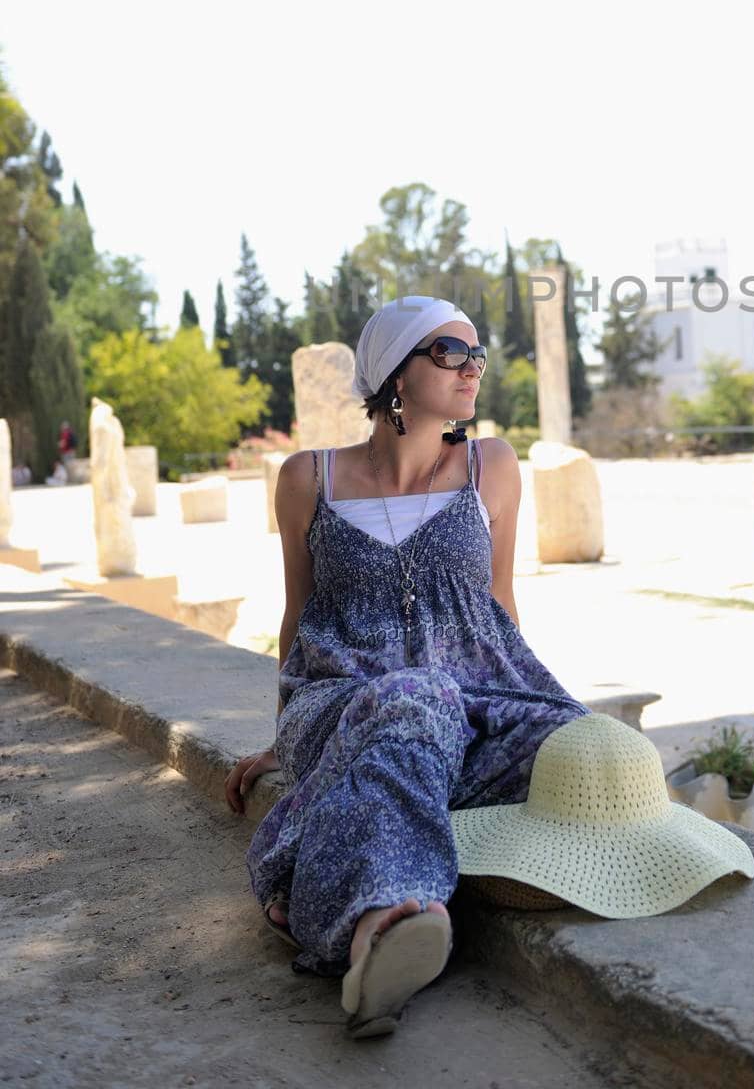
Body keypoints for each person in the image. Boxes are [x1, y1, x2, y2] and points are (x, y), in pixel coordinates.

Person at [225, 295, 588, 1038]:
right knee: (411, 701)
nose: (473, 367)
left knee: (585, 747)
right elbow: (297, 617)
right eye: (450, 353)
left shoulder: (492, 464)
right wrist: (287, 733)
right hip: (343, 698)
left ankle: (316, 887)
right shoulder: (306, 479)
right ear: (394, 373)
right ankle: (380, 925)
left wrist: (520, 698)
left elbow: (499, 601)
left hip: (472, 699)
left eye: (476, 353)